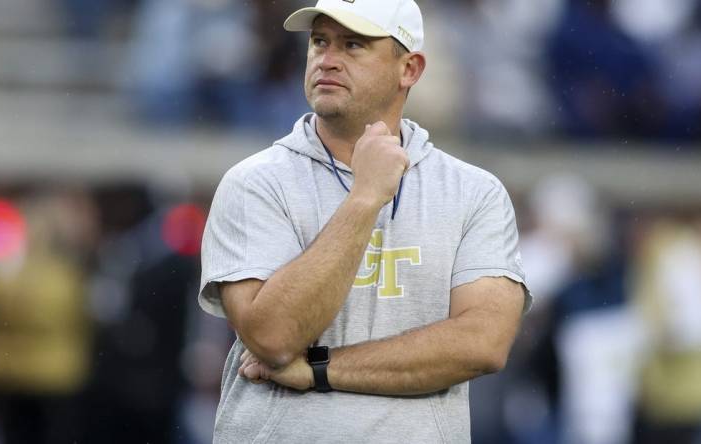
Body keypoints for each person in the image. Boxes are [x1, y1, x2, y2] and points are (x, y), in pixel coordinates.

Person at [199, 0, 531, 442]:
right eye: (320, 41)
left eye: (352, 45)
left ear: (409, 69)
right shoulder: (254, 184)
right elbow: (274, 337)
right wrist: (365, 198)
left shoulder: (474, 192)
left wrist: (320, 370)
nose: (327, 59)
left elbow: (483, 343)